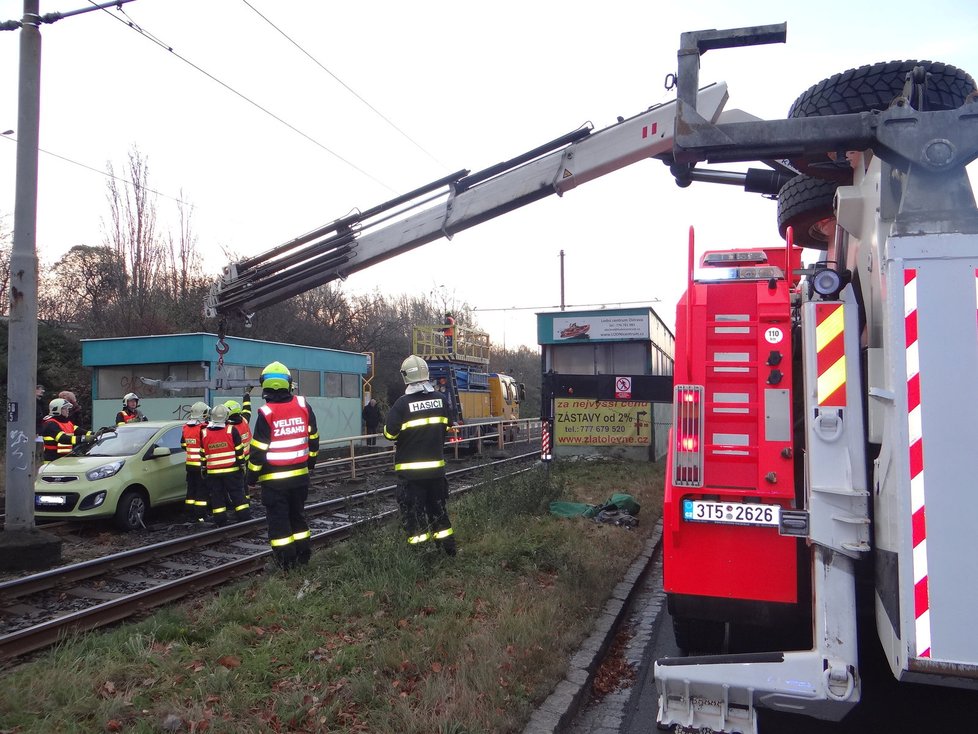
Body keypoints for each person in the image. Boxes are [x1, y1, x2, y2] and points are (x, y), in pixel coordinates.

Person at [247, 361, 319, 570]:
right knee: (297, 517)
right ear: (288, 384)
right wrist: (311, 463)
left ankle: (286, 564)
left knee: (279, 524)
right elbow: (313, 438)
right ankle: (303, 557)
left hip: (274, 482)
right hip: (300, 477)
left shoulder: (266, 413)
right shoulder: (303, 405)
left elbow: (258, 450)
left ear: (265, 386)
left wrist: (251, 478)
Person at [383, 354, 457, 556]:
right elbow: (448, 425)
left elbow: (390, 434)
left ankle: (421, 556)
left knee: (415, 517)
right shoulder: (441, 400)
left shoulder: (401, 404)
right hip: (436, 472)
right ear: (426, 373)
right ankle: (448, 551)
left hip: (411, 475)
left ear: (405, 376)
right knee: (439, 513)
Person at [200, 403, 250, 526]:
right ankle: (244, 518)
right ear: (226, 416)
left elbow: (202, 453)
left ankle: (220, 520)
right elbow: (239, 450)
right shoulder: (231, 430)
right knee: (238, 494)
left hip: (213, 473)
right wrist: (242, 465)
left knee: (217, 497)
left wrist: (204, 467)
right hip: (232, 470)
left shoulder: (204, 432)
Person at [181, 401, 210, 523]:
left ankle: (190, 514)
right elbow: (207, 446)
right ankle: (200, 515)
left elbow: (183, 445)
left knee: (191, 490)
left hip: (190, 465)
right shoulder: (203, 428)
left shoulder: (186, 427)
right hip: (201, 465)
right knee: (201, 491)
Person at [41, 398, 92, 463]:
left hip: (65, 459)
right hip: (52, 461)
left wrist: (99, 434)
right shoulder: (50, 423)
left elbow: (82, 431)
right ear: (57, 409)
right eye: (65, 408)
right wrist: (83, 438)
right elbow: (62, 438)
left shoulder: (67, 422)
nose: (67, 410)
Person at [224, 387, 253, 501]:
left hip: (235, 460)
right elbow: (247, 409)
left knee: (235, 485)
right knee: (244, 482)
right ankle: (246, 501)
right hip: (246, 458)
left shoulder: (228, 428)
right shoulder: (244, 420)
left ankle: (238, 503)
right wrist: (246, 395)